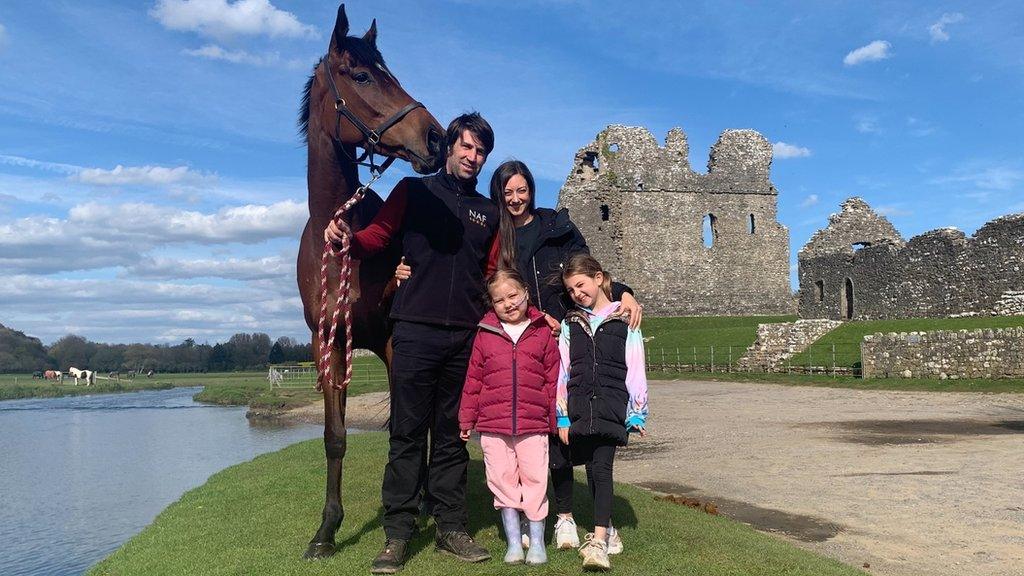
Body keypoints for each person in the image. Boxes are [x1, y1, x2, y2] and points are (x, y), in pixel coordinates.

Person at [396, 159, 641, 551]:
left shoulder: (555, 225)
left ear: (531, 189)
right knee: (543, 432)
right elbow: (459, 268)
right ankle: (555, 517)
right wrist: (404, 266)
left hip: (567, 333)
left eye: (521, 190)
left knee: (583, 428)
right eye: (507, 192)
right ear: (499, 195)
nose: (515, 198)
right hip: (523, 340)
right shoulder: (494, 231)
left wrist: (623, 290)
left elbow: (590, 270)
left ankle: (591, 520)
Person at [326, 112, 500, 574]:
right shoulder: (412, 191)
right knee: (406, 435)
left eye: (480, 151)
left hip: (464, 336)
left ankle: (451, 527)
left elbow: (493, 273)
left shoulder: (490, 212)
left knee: (451, 438)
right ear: (449, 149)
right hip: (414, 331)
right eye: (466, 147)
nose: (472, 157)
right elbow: (376, 239)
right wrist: (347, 238)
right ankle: (397, 534)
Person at [458, 268, 558, 565]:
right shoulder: (485, 334)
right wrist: (466, 420)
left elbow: (553, 381)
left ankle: (537, 543)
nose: (509, 303)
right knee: (501, 481)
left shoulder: (542, 332)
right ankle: (514, 543)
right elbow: (473, 380)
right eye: (499, 300)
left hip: (533, 424)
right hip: (493, 426)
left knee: (535, 480)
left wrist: (555, 419)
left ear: (526, 292)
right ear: (492, 304)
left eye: (513, 295)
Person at [556, 253, 648, 572]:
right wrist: (562, 415)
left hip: (611, 402)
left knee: (602, 468)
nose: (577, 293)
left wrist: (637, 410)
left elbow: (636, 366)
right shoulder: (571, 323)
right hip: (581, 406)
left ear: (598, 278)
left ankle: (597, 544)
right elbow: (562, 372)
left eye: (580, 285)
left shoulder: (625, 318)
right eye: (570, 290)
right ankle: (608, 530)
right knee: (593, 468)